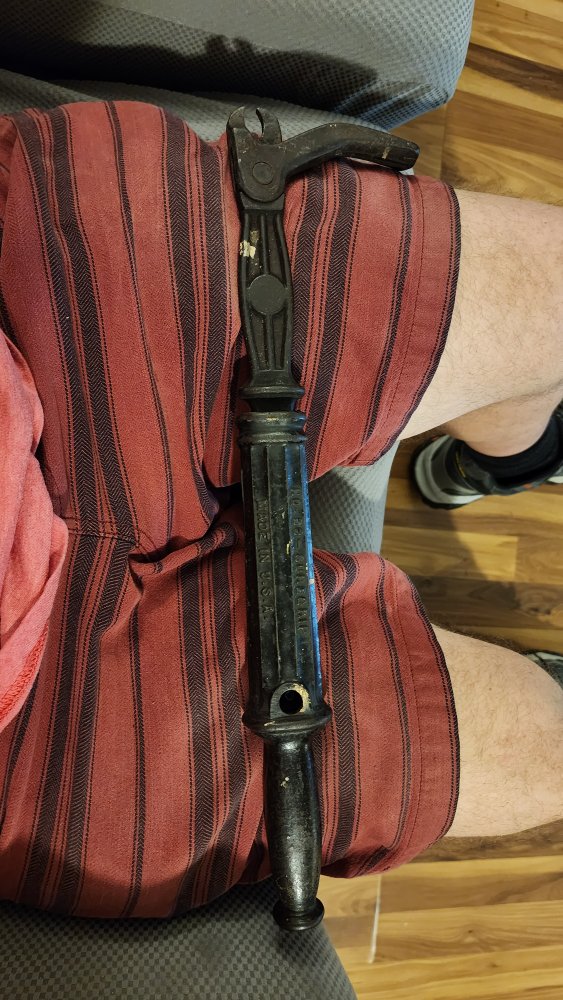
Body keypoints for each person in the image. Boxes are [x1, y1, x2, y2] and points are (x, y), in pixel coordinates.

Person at [0, 0, 561, 929]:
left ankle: (511, 450)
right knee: (540, 747)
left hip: (32, 311)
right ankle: (508, 483)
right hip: (36, 716)